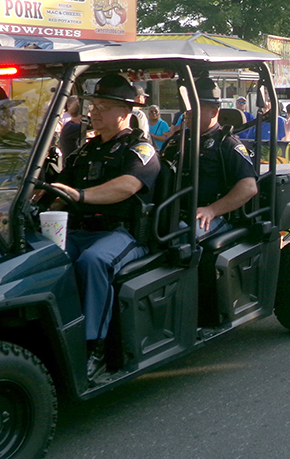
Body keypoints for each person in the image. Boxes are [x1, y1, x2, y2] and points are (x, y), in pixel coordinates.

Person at [50, 74, 160, 379]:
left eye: (103, 106)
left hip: (122, 233)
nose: (94, 112)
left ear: (124, 112)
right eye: (93, 105)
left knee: (93, 262)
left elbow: (127, 185)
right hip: (79, 230)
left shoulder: (140, 149)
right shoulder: (85, 150)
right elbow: (61, 190)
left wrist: (81, 195)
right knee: (43, 256)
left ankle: (92, 347)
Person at [160, 78, 258, 240]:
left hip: (212, 217)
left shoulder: (226, 144)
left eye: (195, 107)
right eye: (188, 107)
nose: (189, 112)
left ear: (213, 112)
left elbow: (249, 188)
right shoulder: (177, 140)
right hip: (172, 212)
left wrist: (212, 210)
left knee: (183, 235)